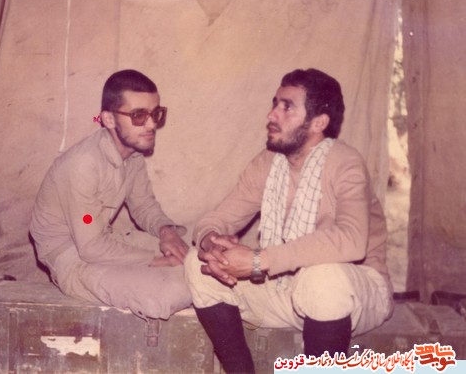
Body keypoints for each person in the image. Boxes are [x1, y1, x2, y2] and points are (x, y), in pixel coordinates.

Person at [184, 68, 393, 373]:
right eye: (275, 104)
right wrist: (210, 242)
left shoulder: (345, 163)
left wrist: (260, 260)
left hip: (353, 294)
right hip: (284, 290)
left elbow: (352, 240)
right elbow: (218, 218)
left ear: (318, 123)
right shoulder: (268, 162)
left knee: (322, 277)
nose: (272, 114)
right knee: (196, 263)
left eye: (287, 107)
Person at [30, 69, 192, 320]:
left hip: (101, 239)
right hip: (73, 257)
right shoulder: (83, 165)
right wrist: (157, 260)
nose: (151, 125)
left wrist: (165, 232)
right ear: (108, 119)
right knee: (171, 291)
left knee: (198, 257)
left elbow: (144, 206)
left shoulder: (133, 154)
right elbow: (91, 246)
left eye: (156, 113)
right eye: (139, 115)